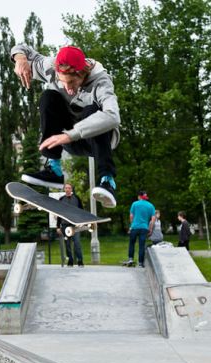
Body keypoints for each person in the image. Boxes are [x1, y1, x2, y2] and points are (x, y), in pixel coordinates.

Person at [11, 43, 120, 208]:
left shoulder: (101, 81)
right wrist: (19, 59)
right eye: (63, 82)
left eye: (72, 82)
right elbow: (22, 48)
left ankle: (107, 181)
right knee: (48, 97)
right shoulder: (50, 67)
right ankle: (54, 169)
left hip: (97, 141)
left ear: (82, 73)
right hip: (68, 140)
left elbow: (113, 116)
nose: (68, 89)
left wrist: (71, 134)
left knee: (93, 110)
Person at [122, 190, 155, 268]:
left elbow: (131, 216)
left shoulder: (135, 204)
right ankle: (140, 263)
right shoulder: (151, 206)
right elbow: (153, 220)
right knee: (141, 245)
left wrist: (131, 225)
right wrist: (150, 229)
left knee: (132, 243)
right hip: (144, 228)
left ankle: (130, 258)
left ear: (139, 196)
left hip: (135, 227)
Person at [56, 183, 84, 267]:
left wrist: (81, 222)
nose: (67, 189)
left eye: (69, 188)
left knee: (77, 243)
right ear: (64, 189)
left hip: (75, 225)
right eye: (66, 188)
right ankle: (70, 261)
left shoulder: (77, 198)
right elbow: (59, 214)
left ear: (71, 189)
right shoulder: (61, 199)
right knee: (67, 244)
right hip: (65, 225)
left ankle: (80, 261)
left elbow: (82, 211)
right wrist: (58, 227)